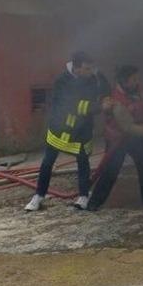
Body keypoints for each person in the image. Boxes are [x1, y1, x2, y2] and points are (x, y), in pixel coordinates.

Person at [25, 51, 110, 211]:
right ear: (76, 68)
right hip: (60, 128)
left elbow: (104, 85)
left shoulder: (92, 77)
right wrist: (98, 107)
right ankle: (38, 196)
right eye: (87, 69)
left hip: (82, 129)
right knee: (48, 162)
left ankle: (84, 196)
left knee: (83, 161)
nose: (90, 72)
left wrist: (106, 96)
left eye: (92, 68)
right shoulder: (62, 81)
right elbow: (71, 105)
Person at [87, 65, 143, 210]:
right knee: (111, 171)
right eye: (133, 79)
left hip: (137, 136)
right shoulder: (116, 100)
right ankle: (94, 203)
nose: (137, 81)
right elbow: (128, 127)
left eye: (137, 78)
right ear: (124, 81)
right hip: (117, 139)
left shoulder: (137, 89)